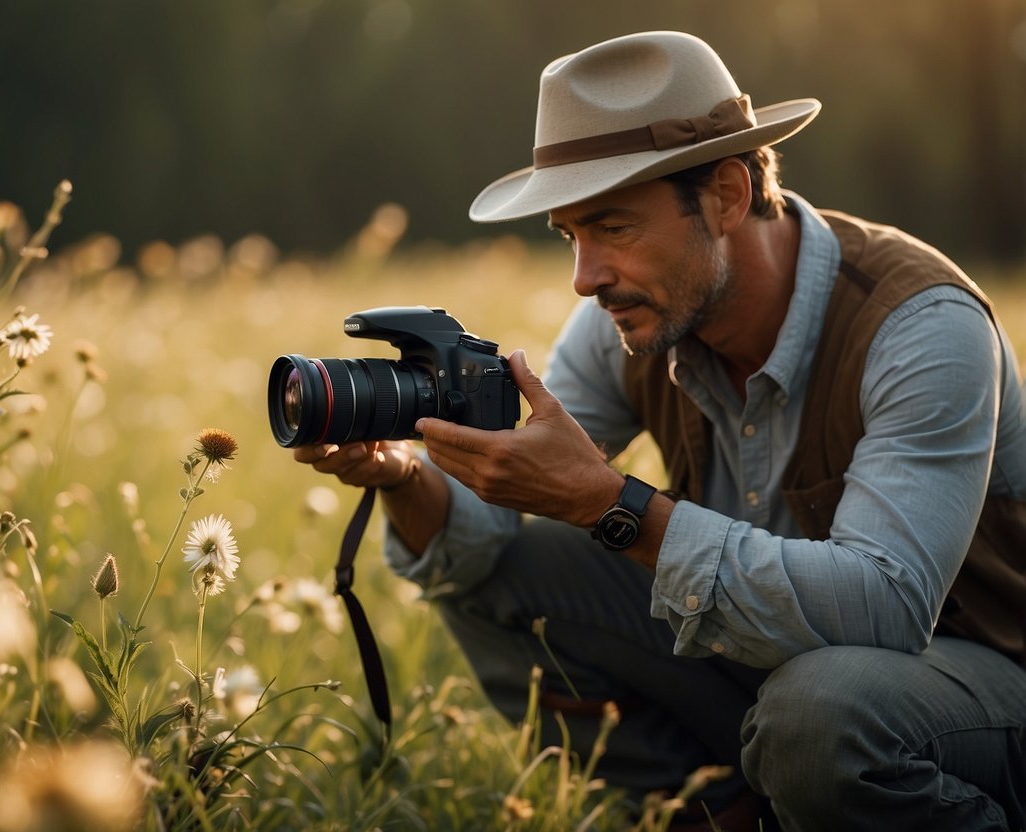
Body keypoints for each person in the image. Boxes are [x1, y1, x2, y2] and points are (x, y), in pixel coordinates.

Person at [293, 31, 1026, 831]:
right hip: (772, 675)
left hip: (975, 685)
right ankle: (720, 816)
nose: (585, 276)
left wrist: (613, 506)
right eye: (570, 236)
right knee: (506, 577)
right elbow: (475, 544)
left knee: (822, 716)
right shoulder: (631, 317)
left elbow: (882, 612)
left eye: (612, 227)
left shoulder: (918, 326)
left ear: (726, 195)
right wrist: (405, 479)